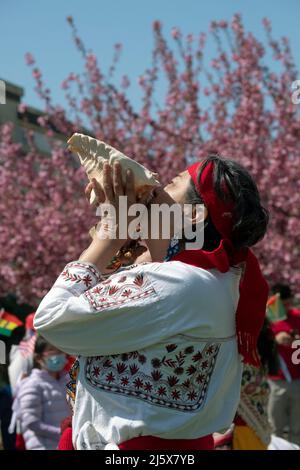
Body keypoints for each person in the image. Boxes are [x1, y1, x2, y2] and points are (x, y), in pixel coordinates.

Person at [34, 155, 269, 450]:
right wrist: (128, 236)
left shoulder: (178, 280)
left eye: (171, 183)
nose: (156, 184)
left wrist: (110, 234)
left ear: (195, 215)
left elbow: (53, 319)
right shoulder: (219, 279)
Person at [12, 336, 70, 450]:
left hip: (65, 444)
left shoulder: (68, 381)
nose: (59, 354)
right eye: (52, 350)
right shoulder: (31, 385)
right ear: (38, 358)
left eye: (60, 350)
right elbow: (32, 422)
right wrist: (64, 433)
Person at [267, 283, 300, 445]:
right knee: (275, 428)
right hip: (275, 380)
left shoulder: (298, 316)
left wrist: (295, 340)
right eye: (282, 305)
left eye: (288, 304)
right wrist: (275, 338)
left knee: (297, 429)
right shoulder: (266, 319)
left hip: (297, 379)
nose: (286, 308)